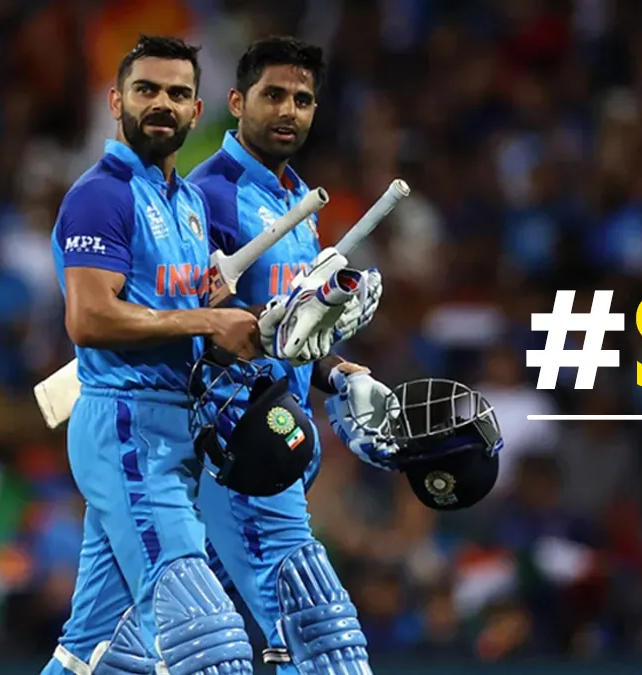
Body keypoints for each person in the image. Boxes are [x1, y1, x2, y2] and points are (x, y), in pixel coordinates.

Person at [82, 36, 395, 674]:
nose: (287, 111)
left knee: (125, 652)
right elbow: (207, 327)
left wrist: (336, 372)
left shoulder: (292, 199)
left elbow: (282, 329)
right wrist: (256, 326)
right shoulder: (209, 197)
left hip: (274, 434)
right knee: (319, 634)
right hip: (233, 439)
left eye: (301, 100)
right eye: (272, 95)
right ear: (234, 102)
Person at [41, 35, 260, 675]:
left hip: (175, 431)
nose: (161, 103)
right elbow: (89, 318)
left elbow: (193, 318)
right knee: (209, 639)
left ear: (197, 111)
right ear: (117, 102)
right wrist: (207, 318)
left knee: (101, 652)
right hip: (127, 426)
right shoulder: (101, 195)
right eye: (146, 90)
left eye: (177, 93)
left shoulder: (188, 203)